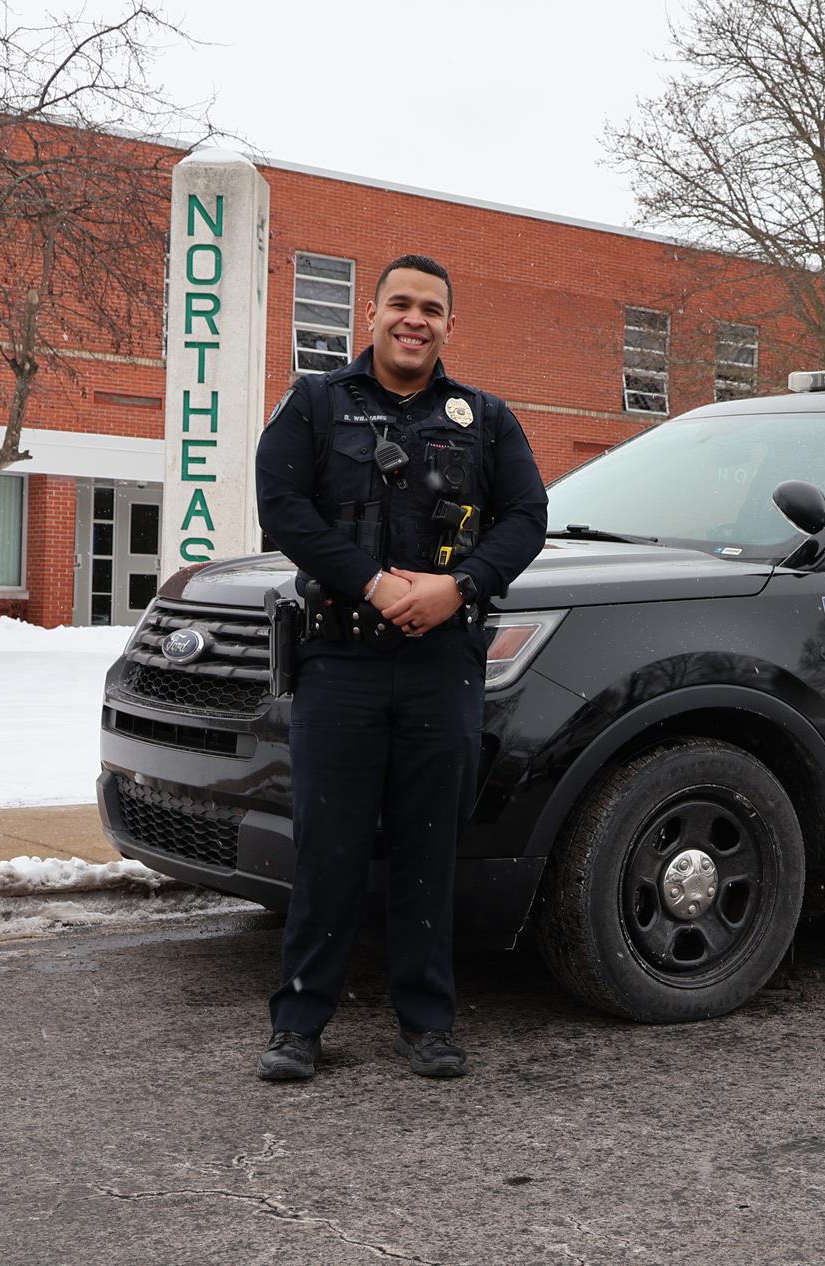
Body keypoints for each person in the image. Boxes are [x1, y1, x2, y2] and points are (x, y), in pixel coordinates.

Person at [252, 254, 547, 1080]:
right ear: (371, 315)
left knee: (427, 850)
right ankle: (300, 1024)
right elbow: (281, 506)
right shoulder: (315, 405)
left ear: (450, 326)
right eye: (400, 305)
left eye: (432, 309)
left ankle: (428, 1022)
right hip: (339, 661)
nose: (415, 320)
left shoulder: (484, 418)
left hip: (440, 666)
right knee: (329, 851)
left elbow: (527, 516)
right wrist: (373, 581)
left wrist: (463, 586)